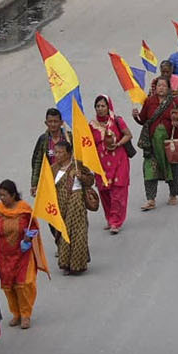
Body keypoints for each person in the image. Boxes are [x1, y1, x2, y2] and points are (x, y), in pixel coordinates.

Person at [0, 180, 44, 330]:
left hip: (22, 254)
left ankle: (25, 314)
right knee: (8, 286)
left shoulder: (24, 211)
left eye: (4, 195)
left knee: (24, 284)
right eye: (0, 195)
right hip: (4, 255)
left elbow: (34, 228)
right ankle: (16, 313)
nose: (1, 198)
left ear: (13, 195)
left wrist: (28, 237)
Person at [134, 75, 178, 211]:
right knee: (150, 169)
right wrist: (136, 116)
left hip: (170, 144)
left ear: (168, 88)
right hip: (151, 145)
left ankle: (173, 194)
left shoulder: (175, 102)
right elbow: (143, 120)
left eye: (163, 86)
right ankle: (151, 200)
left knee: (173, 168)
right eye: (158, 86)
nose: (161, 88)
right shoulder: (149, 102)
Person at [49, 141, 93, 275]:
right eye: (56, 152)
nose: (57, 155)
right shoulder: (53, 169)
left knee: (78, 233)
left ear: (69, 153)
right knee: (63, 235)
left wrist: (82, 177)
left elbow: (91, 180)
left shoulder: (77, 166)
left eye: (61, 152)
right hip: (61, 205)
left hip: (76, 203)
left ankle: (78, 264)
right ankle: (65, 264)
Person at [89, 96, 132, 234]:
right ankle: (109, 218)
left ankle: (116, 221)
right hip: (101, 163)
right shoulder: (91, 125)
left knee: (118, 191)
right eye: (98, 106)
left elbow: (128, 135)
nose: (100, 109)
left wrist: (118, 144)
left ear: (108, 107)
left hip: (119, 160)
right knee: (104, 191)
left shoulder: (116, 121)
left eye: (103, 106)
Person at [29, 109, 70, 196]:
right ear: (46, 123)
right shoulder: (43, 140)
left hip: (67, 179)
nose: (53, 124)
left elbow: (77, 157)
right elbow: (37, 162)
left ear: (61, 122)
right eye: (50, 121)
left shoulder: (69, 137)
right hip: (49, 179)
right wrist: (34, 184)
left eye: (56, 121)